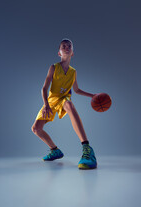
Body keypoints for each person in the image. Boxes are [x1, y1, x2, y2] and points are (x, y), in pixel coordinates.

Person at [31, 38, 97, 169]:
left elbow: (76, 90)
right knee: (36, 129)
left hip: (63, 99)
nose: (66, 47)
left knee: (69, 105)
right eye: (63, 46)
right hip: (51, 100)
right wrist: (46, 105)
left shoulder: (73, 72)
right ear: (59, 52)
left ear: (72, 52)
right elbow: (44, 88)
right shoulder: (53, 68)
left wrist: (93, 96)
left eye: (69, 46)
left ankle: (87, 148)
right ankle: (55, 150)